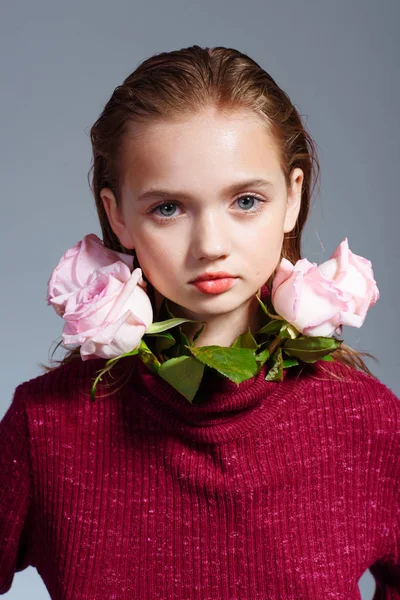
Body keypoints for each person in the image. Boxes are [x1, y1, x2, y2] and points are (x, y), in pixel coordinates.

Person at [0, 45, 398, 599]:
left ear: (292, 197)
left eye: (246, 201)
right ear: (119, 217)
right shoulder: (44, 428)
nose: (210, 246)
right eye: (169, 208)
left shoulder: (367, 423)